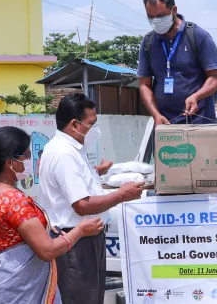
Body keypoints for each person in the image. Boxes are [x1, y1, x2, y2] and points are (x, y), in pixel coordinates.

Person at [0, 126, 104, 304]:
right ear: (10, 162)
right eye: (26, 156)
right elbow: (47, 250)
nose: (30, 161)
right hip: (22, 288)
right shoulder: (14, 201)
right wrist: (81, 230)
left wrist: (43, 226)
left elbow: (8, 228)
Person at [38, 93, 144, 304]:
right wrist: (122, 195)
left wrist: (97, 172)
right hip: (75, 242)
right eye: (91, 124)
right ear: (75, 124)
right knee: (79, 299)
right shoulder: (64, 153)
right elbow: (82, 205)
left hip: (86, 239)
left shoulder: (72, 149)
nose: (95, 129)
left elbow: (76, 184)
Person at [138, 0, 217, 126]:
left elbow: (216, 78)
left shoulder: (198, 36)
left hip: (199, 124)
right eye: (150, 17)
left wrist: (196, 96)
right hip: (166, 125)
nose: (155, 21)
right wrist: (156, 115)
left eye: (160, 16)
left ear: (174, 10)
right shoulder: (148, 43)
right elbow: (144, 85)